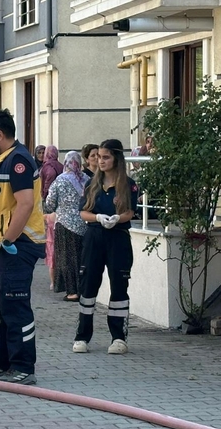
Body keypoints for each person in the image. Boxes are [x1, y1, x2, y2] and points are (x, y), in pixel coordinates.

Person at [0, 110, 45, 385]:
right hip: (3, 248)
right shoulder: (3, 161)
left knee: (15, 305)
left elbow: (25, 204)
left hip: (18, 245)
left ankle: (23, 366)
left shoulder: (18, 161)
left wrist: (7, 240)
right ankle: (2, 359)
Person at [75, 139, 138, 355]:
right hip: (94, 236)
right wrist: (98, 217)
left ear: (116, 158)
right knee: (88, 285)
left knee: (119, 287)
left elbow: (130, 212)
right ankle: (82, 336)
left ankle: (119, 337)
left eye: (105, 157)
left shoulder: (128, 185)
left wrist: (117, 218)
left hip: (118, 237)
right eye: (98, 157)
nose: (100, 161)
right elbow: (82, 212)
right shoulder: (90, 184)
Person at [45, 151, 88, 301]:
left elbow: (50, 204)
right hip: (85, 224)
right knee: (82, 259)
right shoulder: (87, 179)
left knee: (67, 259)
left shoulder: (60, 180)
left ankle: (72, 292)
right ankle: (84, 289)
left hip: (65, 225)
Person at [40, 145, 63, 290]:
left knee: (51, 242)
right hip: (62, 208)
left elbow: (46, 186)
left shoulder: (47, 167)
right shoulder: (61, 166)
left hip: (51, 206)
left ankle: (54, 280)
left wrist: (44, 197)